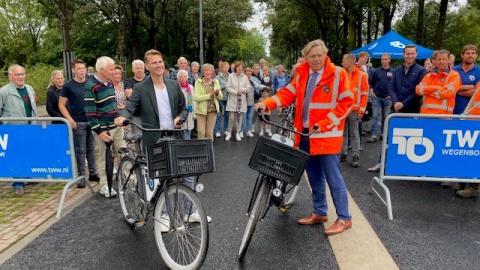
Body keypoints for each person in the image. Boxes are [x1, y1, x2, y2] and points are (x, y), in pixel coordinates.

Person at [255, 39, 354, 235]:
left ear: (326, 54)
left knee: (334, 179)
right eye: (312, 56)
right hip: (305, 134)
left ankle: (344, 218)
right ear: (306, 57)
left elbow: (347, 103)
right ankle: (320, 212)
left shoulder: (338, 74)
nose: (316, 59)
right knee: (314, 177)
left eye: (319, 55)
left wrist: (324, 124)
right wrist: (267, 103)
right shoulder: (302, 73)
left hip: (326, 136)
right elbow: (286, 94)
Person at [115, 50, 210, 223]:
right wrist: (123, 116)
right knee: (163, 177)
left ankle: (190, 211)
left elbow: (183, 107)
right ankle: (165, 215)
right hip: (154, 138)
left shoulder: (173, 85)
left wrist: (179, 118)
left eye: (160, 61)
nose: (158, 65)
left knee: (187, 174)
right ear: (147, 66)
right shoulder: (141, 87)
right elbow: (130, 106)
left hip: (175, 135)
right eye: (154, 63)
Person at [84, 56, 126, 198]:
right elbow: (90, 113)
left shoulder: (109, 84)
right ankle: (105, 186)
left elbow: (112, 105)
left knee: (123, 153)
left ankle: (125, 181)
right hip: (103, 129)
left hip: (116, 126)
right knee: (104, 158)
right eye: (111, 69)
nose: (114, 71)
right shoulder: (91, 86)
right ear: (102, 70)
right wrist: (99, 131)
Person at [59, 59, 100, 188]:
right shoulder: (68, 86)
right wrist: (70, 119)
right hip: (78, 121)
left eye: (83, 68)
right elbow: (61, 105)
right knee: (80, 150)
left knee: (91, 149)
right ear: (73, 70)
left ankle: (93, 173)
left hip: (91, 120)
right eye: (79, 68)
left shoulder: (90, 82)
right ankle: (81, 177)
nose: (82, 71)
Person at [0, 64, 39, 196]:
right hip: (13, 130)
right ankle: (18, 184)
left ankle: (29, 176)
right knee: (16, 156)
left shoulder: (29, 88)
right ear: (10, 76)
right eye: (17, 74)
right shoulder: (4, 91)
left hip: (30, 128)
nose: (21, 77)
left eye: (22, 74)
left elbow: (33, 108)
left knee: (29, 152)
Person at [340, 54, 368, 168]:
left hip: (354, 109)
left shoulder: (362, 75)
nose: (342, 63)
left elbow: (365, 94)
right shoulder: (342, 74)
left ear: (350, 62)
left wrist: (361, 111)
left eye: (344, 61)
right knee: (343, 132)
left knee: (354, 133)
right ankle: (343, 153)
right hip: (343, 109)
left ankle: (355, 155)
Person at [416, 49, 461, 115]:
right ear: (435, 61)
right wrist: (436, 88)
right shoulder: (429, 75)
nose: (441, 61)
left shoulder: (454, 75)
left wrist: (427, 91)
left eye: (444, 59)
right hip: (425, 114)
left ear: (448, 60)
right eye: (439, 59)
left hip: (443, 116)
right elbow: (418, 90)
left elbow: (446, 93)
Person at [456, 85, 480, 197]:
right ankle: (464, 179)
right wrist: (464, 117)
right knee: (468, 154)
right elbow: (472, 102)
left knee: (476, 157)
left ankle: (473, 186)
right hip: (472, 124)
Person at [389, 45, 427, 114]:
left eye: (412, 54)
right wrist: (395, 102)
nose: (410, 56)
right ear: (403, 54)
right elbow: (391, 87)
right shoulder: (397, 70)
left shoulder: (422, 71)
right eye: (408, 54)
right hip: (395, 109)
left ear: (416, 54)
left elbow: (418, 91)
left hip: (412, 110)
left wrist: (403, 104)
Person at [367, 53, 394, 143]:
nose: (383, 61)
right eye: (382, 59)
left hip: (387, 98)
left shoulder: (393, 71)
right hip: (377, 97)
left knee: (385, 117)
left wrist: (392, 95)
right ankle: (374, 135)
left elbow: (396, 85)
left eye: (385, 59)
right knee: (375, 116)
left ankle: (383, 134)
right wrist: (372, 91)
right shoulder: (376, 71)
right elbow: (371, 82)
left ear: (389, 60)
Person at [194, 63, 222, 140]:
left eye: (210, 70)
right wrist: (210, 95)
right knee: (201, 131)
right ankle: (201, 148)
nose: (208, 72)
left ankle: (209, 149)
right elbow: (196, 97)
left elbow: (220, 97)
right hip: (201, 110)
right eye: (206, 70)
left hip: (213, 110)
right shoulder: (198, 82)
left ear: (212, 72)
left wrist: (217, 94)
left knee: (210, 132)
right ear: (203, 72)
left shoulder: (215, 81)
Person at [225, 61, 251, 142]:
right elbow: (227, 87)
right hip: (232, 100)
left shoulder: (245, 77)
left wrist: (242, 90)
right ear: (235, 68)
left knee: (240, 118)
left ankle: (237, 133)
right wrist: (236, 92)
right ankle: (229, 132)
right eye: (238, 67)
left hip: (241, 100)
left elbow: (248, 87)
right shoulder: (231, 76)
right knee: (231, 118)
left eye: (241, 67)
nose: (240, 69)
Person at [452, 45, 480, 115]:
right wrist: (467, 88)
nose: (470, 55)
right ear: (462, 55)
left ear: (476, 55)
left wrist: (454, 90)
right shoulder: (453, 70)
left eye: (473, 53)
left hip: (471, 113)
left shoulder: (479, 71)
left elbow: (477, 94)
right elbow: (445, 89)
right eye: (467, 53)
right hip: (452, 111)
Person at [178, 70, 195, 139]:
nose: (183, 78)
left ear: (187, 77)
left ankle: (188, 142)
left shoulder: (190, 87)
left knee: (188, 129)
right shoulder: (176, 87)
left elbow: (193, 100)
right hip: (180, 111)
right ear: (178, 78)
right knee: (181, 129)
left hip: (190, 110)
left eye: (184, 76)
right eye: (181, 77)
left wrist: (194, 113)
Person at [214, 62, 230, 138]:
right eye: (225, 67)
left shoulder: (230, 76)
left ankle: (226, 130)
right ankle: (217, 131)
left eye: (228, 67)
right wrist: (225, 86)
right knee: (219, 115)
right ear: (222, 68)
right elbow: (217, 87)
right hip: (220, 98)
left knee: (227, 115)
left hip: (229, 98)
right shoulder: (218, 77)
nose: (227, 68)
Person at [240, 67, 257, 138]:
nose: (249, 75)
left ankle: (248, 131)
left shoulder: (252, 82)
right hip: (244, 103)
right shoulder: (242, 82)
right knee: (243, 118)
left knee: (249, 117)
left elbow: (255, 91)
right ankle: (240, 131)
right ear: (244, 74)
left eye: (250, 74)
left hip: (251, 103)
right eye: (247, 74)